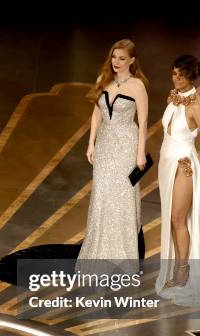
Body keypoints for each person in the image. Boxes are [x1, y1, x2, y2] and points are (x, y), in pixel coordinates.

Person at [155, 55, 200, 306]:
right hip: (167, 163)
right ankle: (177, 268)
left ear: (191, 77)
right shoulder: (173, 97)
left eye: (181, 75)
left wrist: (198, 163)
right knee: (172, 219)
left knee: (179, 219)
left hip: (182, 165)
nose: (176, 78)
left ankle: (182, 274)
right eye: (174, 72)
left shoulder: (196, 105)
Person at [77, 39, 149, 275]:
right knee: (101, 196)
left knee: (122, 199)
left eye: (121, 58)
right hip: (105, 145)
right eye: (114, 57)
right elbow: (97, 111)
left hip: (126, 146)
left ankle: (123, 260)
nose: (116, 62)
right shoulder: (103, 80)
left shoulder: (138, 86)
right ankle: (99, 254)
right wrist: (91, 142)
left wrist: (140, 153)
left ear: (132, 60)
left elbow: (143, 121)